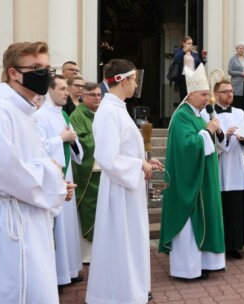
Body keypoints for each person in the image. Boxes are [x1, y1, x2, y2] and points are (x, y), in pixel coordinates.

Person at [0, 41, 75, 304]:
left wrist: (55, 180)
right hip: (11, 220)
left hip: (30, 215)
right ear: (13, 73)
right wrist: (53, 181)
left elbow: (31, 161)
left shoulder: (25, 111)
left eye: (47, 68)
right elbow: (0, 167)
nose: (44, 74)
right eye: (35, 68)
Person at [86, 59, 161, 303]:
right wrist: (138, 164)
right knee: (121, 242)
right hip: (119, 189)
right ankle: (119, 294)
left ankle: (133, 290)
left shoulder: (118, 107)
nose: (136, 84)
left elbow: (124, 149)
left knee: (132, 241)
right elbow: (107, 157)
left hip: (128, 186)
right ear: (122, 80)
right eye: (135, 80)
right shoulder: (108, 111)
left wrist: (146, 160)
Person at [159, 64, 226, 280]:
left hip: (203, 176)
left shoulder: (198, 115)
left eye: (208, 94)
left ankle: (205, 264)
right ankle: (187, 269)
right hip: (189, 179)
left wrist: (210, 130)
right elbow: (187, 146)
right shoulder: (181, 117)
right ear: (190, 94)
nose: (207, 98)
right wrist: (208, 131)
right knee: (189, 224)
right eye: (203, 94)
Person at [32, 75, 84, 287]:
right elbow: (37, 147)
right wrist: (60, 139)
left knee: (68, 226)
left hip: (67, 175)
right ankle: (57, 276)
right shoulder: (39, 116)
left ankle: (70, 270)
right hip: (52, 179)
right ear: (50, 90)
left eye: (66, 89)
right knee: (57, 227)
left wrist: (71, 142)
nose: (66, 92)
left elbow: (74, 144)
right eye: (62, 88)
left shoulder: (63, 114)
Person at [210, 79, 244, 259]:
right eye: (225, 91)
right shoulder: (210, 114)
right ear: (216, 94)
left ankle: (236, 245)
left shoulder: (240, 112)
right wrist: (224, 136)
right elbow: (209, 138)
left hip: (237, 163)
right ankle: (221, 244)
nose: (230, 94)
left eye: (231, 91)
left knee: (236, 206)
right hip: (220, 163)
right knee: (222, 205)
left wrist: (243, 137)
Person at [70, 82, 102, 263]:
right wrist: (100, 134)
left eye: (99, 95)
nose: (97, 98)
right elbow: (80, 143)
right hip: (88, 172)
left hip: (101, 170)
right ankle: (87, 254)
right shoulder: (77, 115)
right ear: (82, 96)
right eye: (93, 95)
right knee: (89, 209)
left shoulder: (100, 114)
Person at [174, 36, 207, 101]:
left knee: (193, 97)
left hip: (193, 77)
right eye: (188, 43)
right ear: (183, 43)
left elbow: (200, 66)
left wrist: (204, 57)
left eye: (191, 44)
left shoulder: (194, 54)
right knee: (184, 97)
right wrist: (184, 51)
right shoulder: (179, 51)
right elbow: (176, 58)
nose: (190, 45)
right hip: (183, 77)